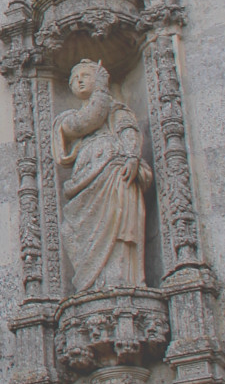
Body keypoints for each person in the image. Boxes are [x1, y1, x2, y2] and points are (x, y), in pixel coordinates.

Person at [54, 61, 152, 293]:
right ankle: (91, 284)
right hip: (85, 181)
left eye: (86, 75)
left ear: (98, 80)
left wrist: (132, 157)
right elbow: (86, 121)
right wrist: (101, 91)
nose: (79, 80)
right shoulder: (68, 119)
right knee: (70, 230)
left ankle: (119, 279)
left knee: (117, 222)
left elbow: (128, 131)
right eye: (75, 78)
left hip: (115, 175)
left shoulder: (116, 110)